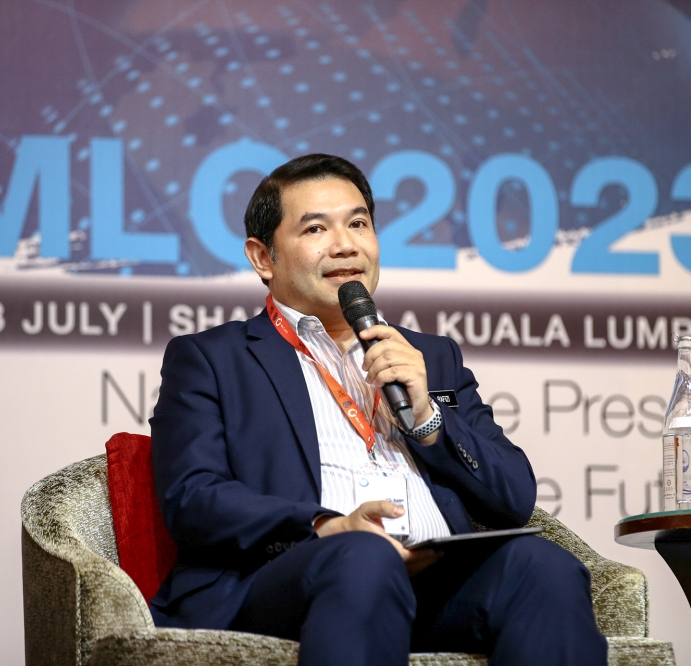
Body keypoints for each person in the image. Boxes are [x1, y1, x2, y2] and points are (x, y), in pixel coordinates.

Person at [149, 154, 607, 665]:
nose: (345, 244)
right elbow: (192, 497)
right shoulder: (212, 359)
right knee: (363, 557)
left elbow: (514, 497)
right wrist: (327, 525)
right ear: (263, 257)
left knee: (542, 565)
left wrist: (429, 420)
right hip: (293, 577)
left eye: (359, 223)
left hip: (436, 580)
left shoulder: (430, 357)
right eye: (316, 228)